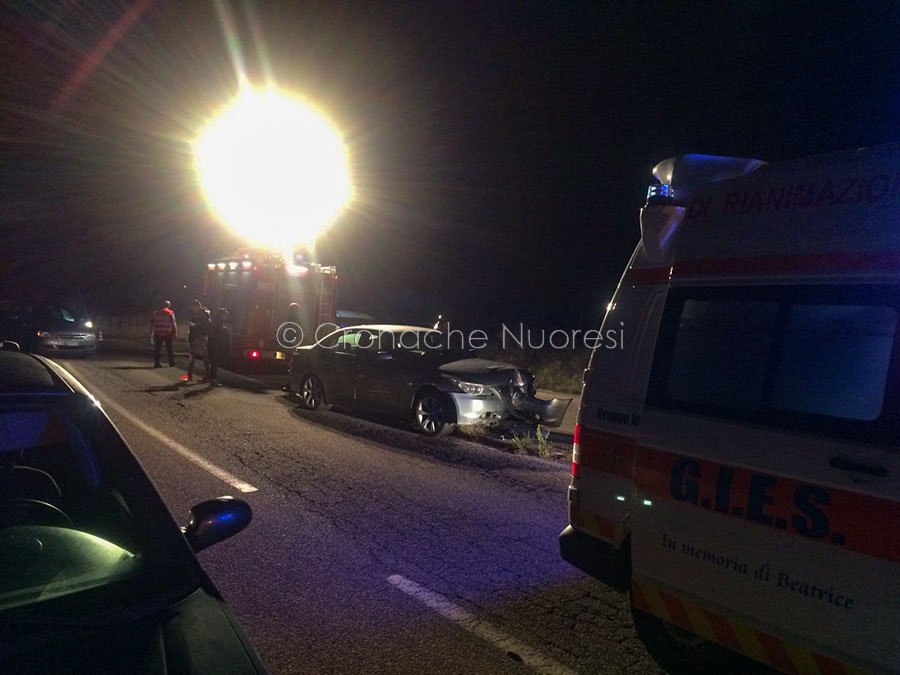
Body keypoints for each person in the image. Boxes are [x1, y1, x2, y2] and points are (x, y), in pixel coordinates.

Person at [180, 300, 210, 382]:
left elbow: (203, 326)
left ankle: (206, 375)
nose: (192, 309)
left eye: (193, 307)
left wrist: (194, 326)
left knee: (203, 357)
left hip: (199, 338)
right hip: (197, 338)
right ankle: (190, 375)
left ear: (196, 306)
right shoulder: (200, 314)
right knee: (194, 356)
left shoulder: (203, 314)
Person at [150, 300, 177, 367]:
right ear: (168, 305)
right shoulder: (170, 312)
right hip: (167, 333)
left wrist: (151, 333)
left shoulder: (155, 313)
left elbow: (152, 323)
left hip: (158, 332)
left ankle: (156, 363)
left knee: (157, 348)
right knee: (169, 348)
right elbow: (173, 323)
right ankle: (171, 362)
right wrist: (175, 332)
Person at [206, 307, 229, 385]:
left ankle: (210, 377)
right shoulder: (219, 323)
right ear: (222, 315)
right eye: (225, 315)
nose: (226, 317)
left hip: (212, 344)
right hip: (216, 345)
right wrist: (224, 329)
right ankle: (213, 379)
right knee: (215, 362)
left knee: (213, 362)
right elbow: (219, 333)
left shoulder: (214, 321)